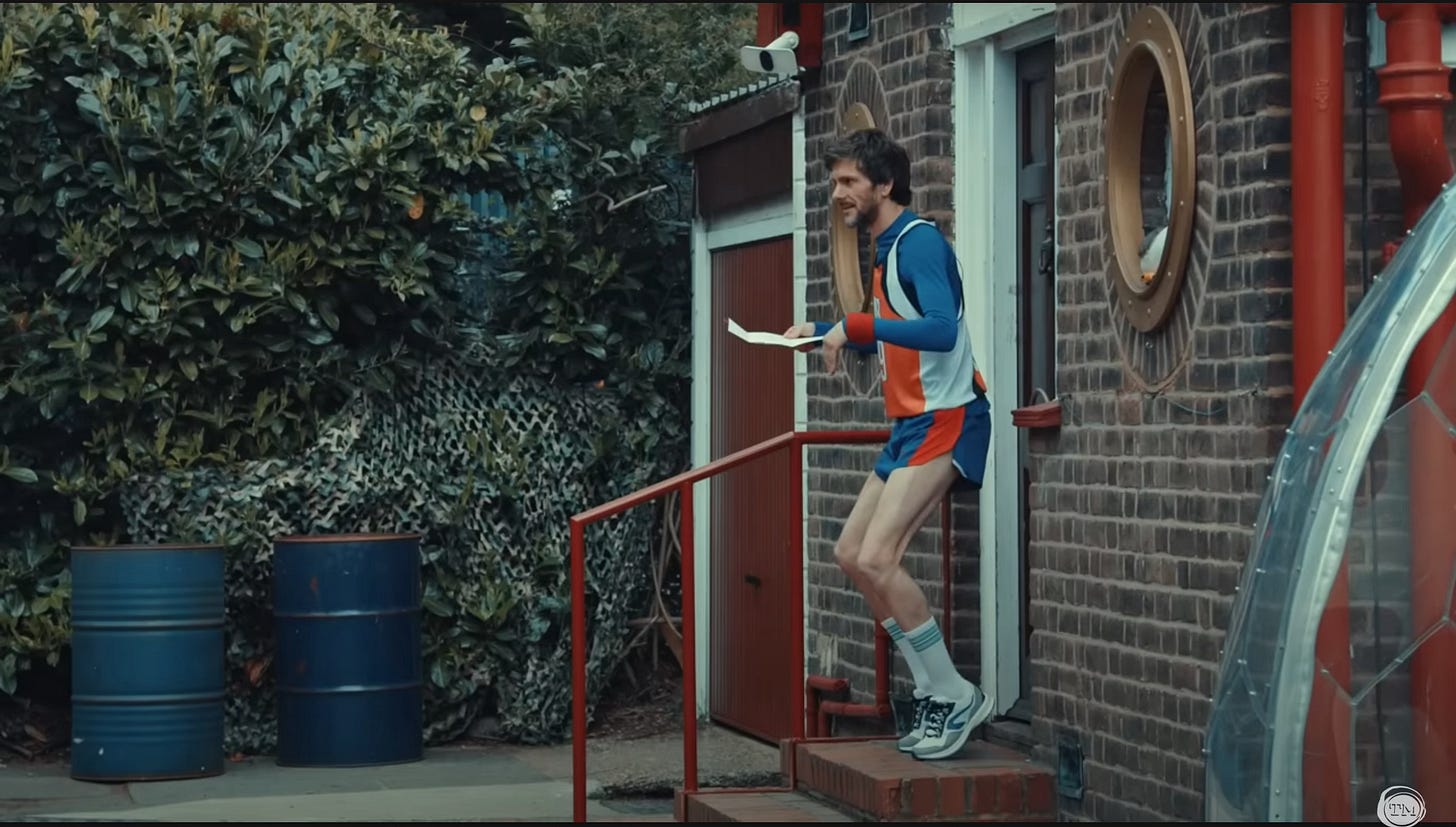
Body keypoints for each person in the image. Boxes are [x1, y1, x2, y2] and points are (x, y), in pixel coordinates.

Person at [784, 128, 994, 761]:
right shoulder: (886, 248)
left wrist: (852, 325)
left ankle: (954, 693)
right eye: (835, 181)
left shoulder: (919, 242)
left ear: (884, 185)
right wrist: (823, 331)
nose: (837, 192)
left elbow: (938, 332)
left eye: (848, 182)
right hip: (911, 422)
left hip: (947, 417)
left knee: (879, 556)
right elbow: (895, 335)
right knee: (852, 553)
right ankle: (936, 687)